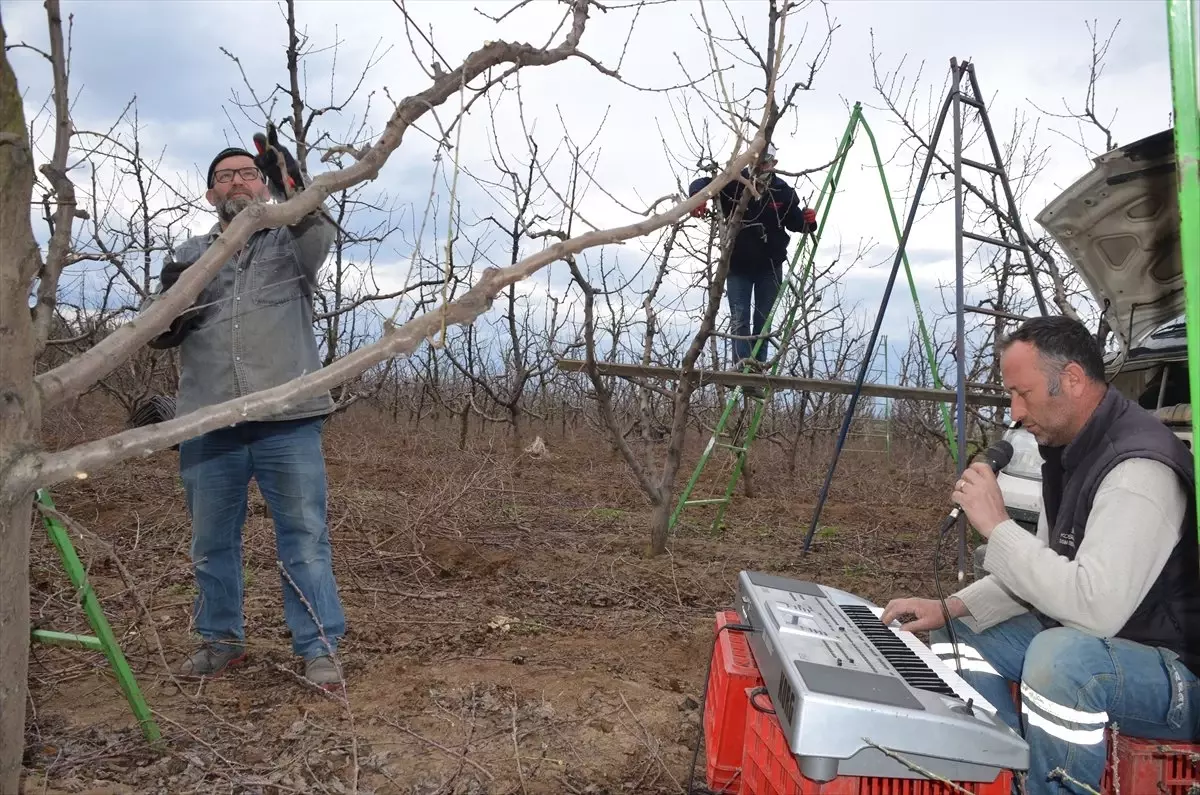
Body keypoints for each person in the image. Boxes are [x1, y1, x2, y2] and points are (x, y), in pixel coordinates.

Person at [881, 315, 1200, 794]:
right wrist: (948, 608)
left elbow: (1094, 611)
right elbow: (1047, 570)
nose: (1013, 411)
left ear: (1071, 379)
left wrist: (997, 526)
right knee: (959, 633)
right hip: (1117, 645)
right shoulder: (1070, 453)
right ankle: (1001, 776)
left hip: (1178, 675)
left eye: (1022, 393)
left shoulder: (1138, 469)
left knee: (1064, 660)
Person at [145, 130, 347, 689]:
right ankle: (220, 641)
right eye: (225, 176)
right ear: (211, 194)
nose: (237, 181)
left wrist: (296, 186)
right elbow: (155, 330)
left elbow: (317, 228)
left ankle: (319, 647)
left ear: (263, 183)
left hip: (288, 419)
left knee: (304, 539)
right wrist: (171, 302)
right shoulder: (189, 254)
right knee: (211, 541)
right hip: (208, 422)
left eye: (247, 173)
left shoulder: (291, 242)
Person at [687, 144, 818, 374]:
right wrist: (698, 197)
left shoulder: (782, 191)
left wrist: (809, 220)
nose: (759, 166)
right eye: (755, 160)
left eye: (765, 161)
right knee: (740, 320)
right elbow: (703, 183)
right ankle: (740, 368)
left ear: (773, 164)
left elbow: (797, 223)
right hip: (738, 266)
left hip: (770, 266)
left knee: (762, 322)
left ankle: (756, 371)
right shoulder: (734, 183)